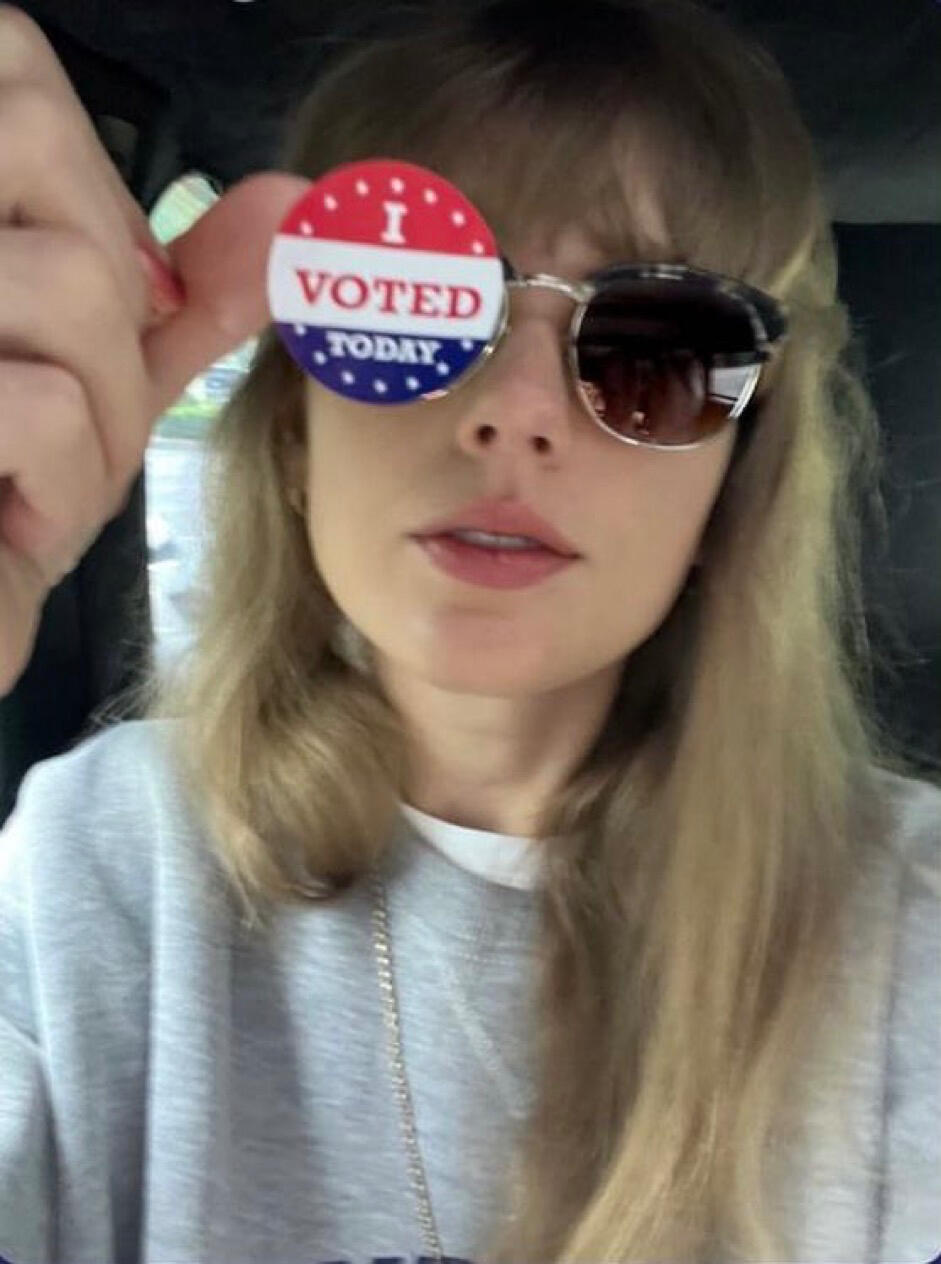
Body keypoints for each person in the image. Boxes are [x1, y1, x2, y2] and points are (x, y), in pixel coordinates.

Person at [0, 1, 938, 1262]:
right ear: (292, 438)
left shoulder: (904, 923)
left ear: (733, 491)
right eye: (420, 309)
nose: (515, 414)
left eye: (655, 346)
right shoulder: (93, 871)